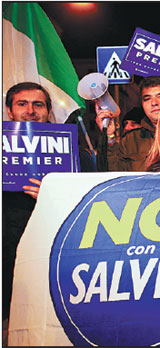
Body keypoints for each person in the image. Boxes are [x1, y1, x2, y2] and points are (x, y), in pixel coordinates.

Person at [2, 82, 51, 323]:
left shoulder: (73, 150)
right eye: (22, 104)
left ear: (48, 111)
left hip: (50, 252)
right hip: (7, 253)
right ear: (10, 111)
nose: (30, 110)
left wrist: (54, 193)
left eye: (38, 104)